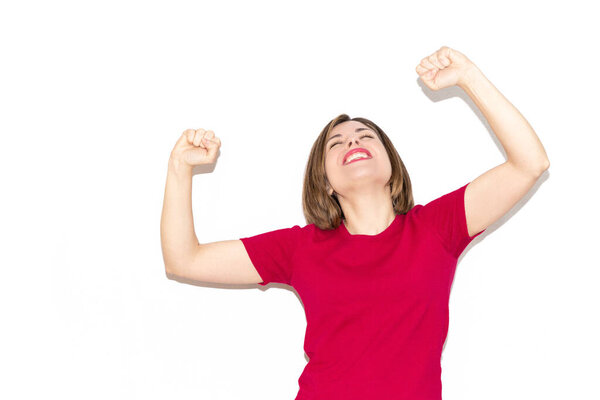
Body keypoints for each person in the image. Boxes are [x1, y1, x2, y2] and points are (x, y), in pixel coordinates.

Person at [160, 46, 550, 399]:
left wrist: (468, 76)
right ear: (325, 182)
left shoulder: (436, 228)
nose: (352, 142)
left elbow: (530, 163)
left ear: (391, 165)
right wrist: (179, 168)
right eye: (337, 143)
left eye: (365, 136)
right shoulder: (301, 249)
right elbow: (184, 260)